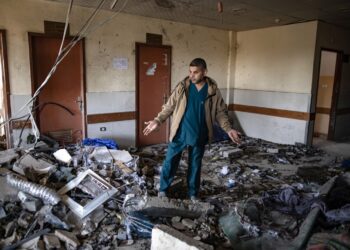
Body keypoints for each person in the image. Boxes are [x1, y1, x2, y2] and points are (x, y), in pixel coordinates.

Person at [143, 58, 240, 201]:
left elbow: (220, 112)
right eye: (190, 72)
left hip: (200, 133)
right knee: (170, 162)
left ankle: (193, 194)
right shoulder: (183, 87)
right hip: (180, 132)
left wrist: (228, 129)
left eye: (195, 72)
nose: (191, 75)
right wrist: (158, 120)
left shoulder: (212, 91)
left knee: (195, 165)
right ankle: (163, 190)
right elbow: (169, 106)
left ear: (204, 72)